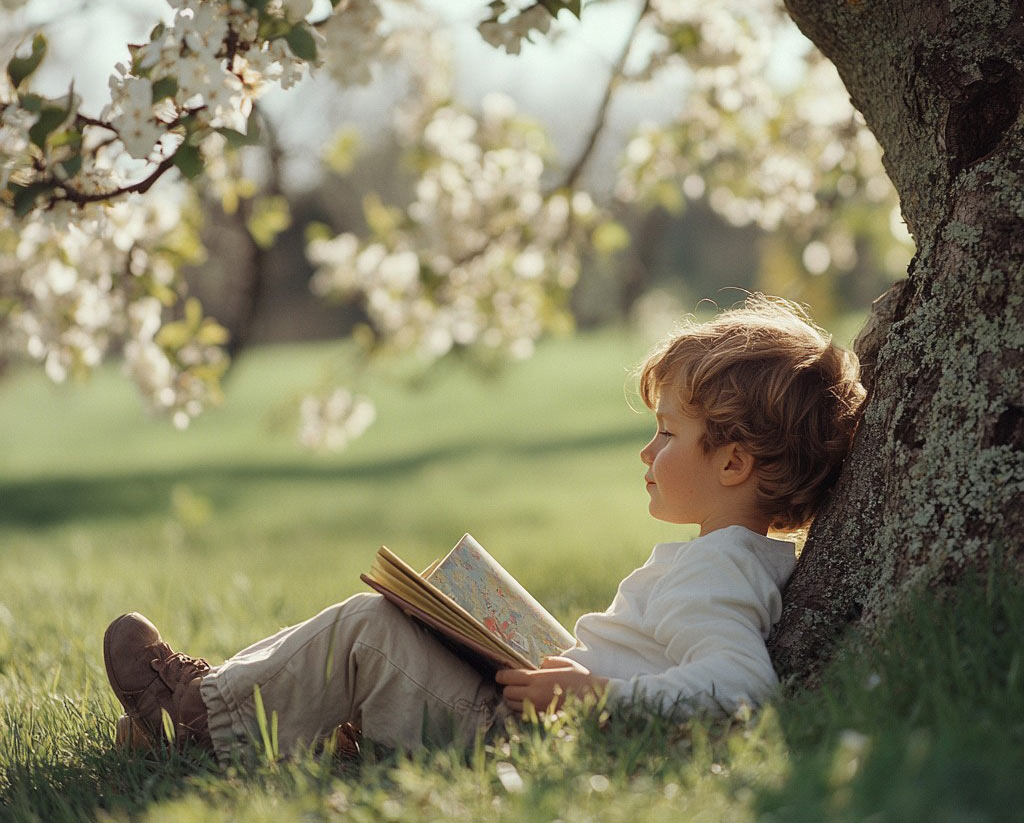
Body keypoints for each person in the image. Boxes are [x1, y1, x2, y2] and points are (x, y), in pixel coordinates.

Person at [103, 294, 866, 762]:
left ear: (734, 463)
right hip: (524, 719)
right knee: (392, 622)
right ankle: (239, 704)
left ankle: (203, 718)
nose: (648, 449)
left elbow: (741, 686)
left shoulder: (720, 568)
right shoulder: (727, 557)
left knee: (371, 628)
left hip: (516, 738)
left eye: (667, 433)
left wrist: (594, 691)